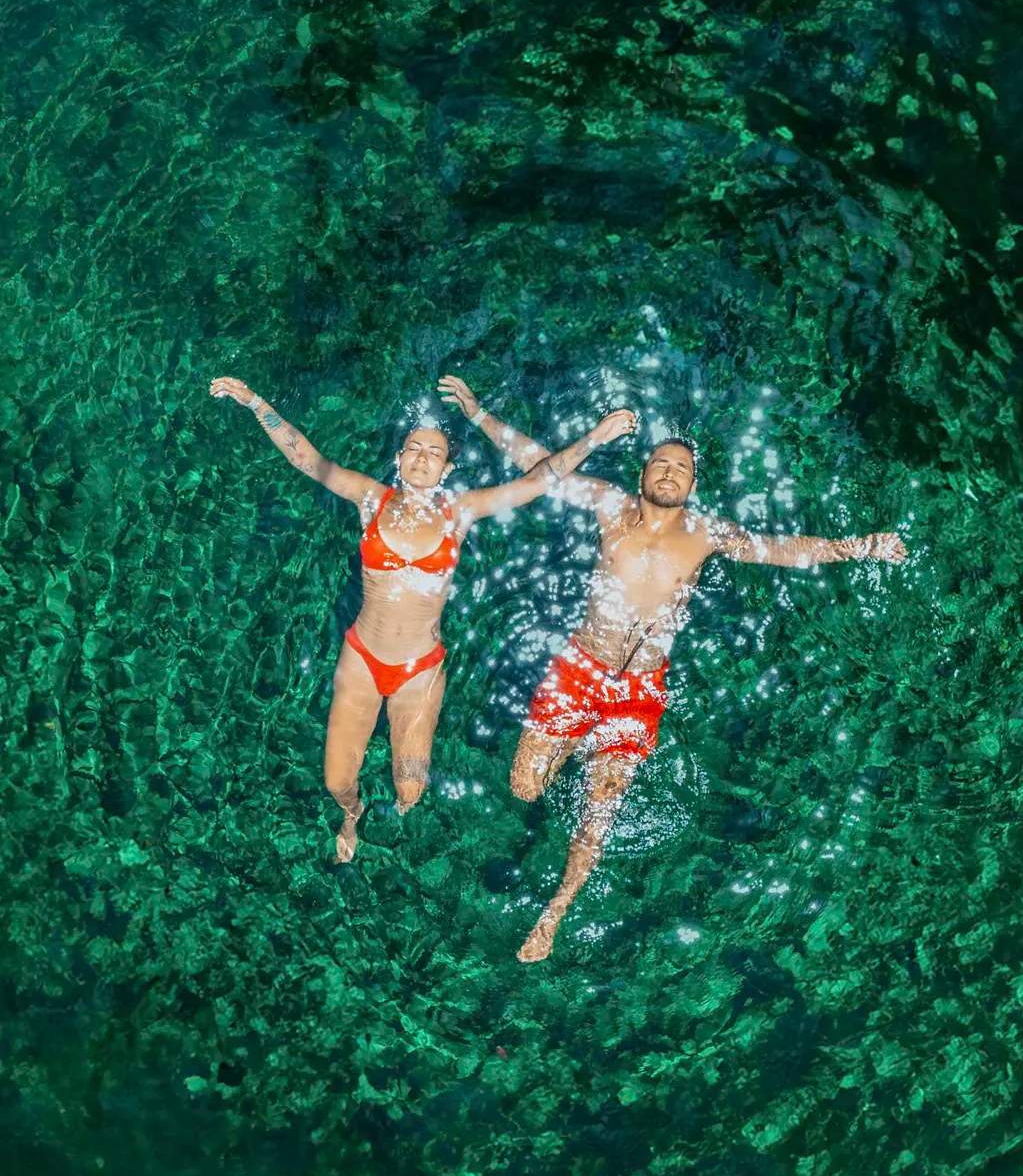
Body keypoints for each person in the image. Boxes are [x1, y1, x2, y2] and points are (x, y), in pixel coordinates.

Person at [438, 374, 908, 962]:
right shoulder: (611, 506)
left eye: (680, 469)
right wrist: (479, 412)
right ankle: (571, 752)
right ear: (642, 476)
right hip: (581, 666)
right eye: (660, 463)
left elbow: (782, 549)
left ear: (692, 485)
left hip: (639, 689)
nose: (668, 472)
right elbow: (539, 465)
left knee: (600, 810)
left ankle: (553, 913)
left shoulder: (707, 534)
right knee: (524, 786)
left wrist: (859, 546)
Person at [209, 376, 635, 862]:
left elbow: (538, 480)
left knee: (410, 790)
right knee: (336, 781)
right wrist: (254, 399)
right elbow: (307, 458)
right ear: (398, 459)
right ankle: (353, 814)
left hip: (420, 669)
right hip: (364, 659)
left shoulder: (460, 512)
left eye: (434, 453)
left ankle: (402, 829)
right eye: (414, 448)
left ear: (448, 468)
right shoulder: (372, 499)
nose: (422, 457)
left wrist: (596, 437)